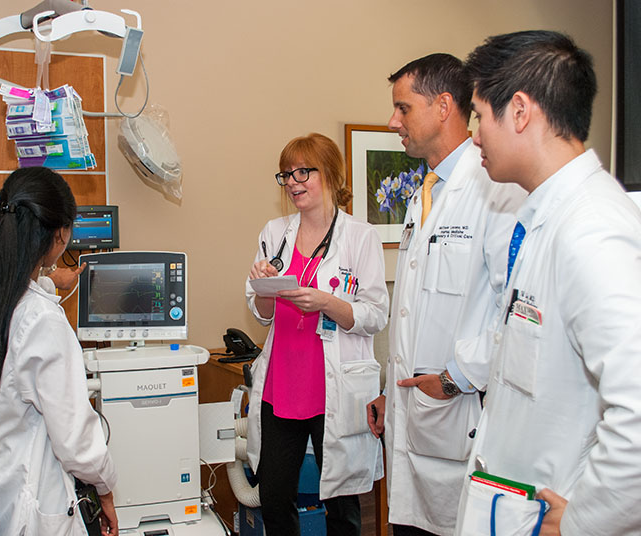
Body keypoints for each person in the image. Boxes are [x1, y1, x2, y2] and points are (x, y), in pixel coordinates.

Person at [455, 30, 641, 535]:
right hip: (512, 505)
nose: (473, 135)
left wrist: (583, 523)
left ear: (519, 111)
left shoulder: (592, 229)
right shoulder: (543, 218)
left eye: (477, 114)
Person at [366, 54, 525, 536]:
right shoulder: (423, 196)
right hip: (413, 419)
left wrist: (456, 378)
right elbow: (417, 311)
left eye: (402, 108)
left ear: (443, 105)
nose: (393, 121)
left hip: (459, 419)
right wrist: (389, 392)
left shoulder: (495, 192)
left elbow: (515, 308)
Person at [0, 167, 119, 536]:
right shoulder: (45, 321)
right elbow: (76, 441)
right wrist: (106, 487)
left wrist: (46, 279)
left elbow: (14, 304)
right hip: (31, 499)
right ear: (60, 233)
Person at [245, 132, 389, 536]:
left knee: (341, 505)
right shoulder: (274, 233)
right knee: (275, 498)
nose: (293, 182)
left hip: (333, 389)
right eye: (286, 174)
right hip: (282, 384)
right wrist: (263, 286)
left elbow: (377, 314)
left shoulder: (361, 237)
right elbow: (262, 313)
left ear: (330, 174)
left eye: (303, 172)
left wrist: (327, 302)